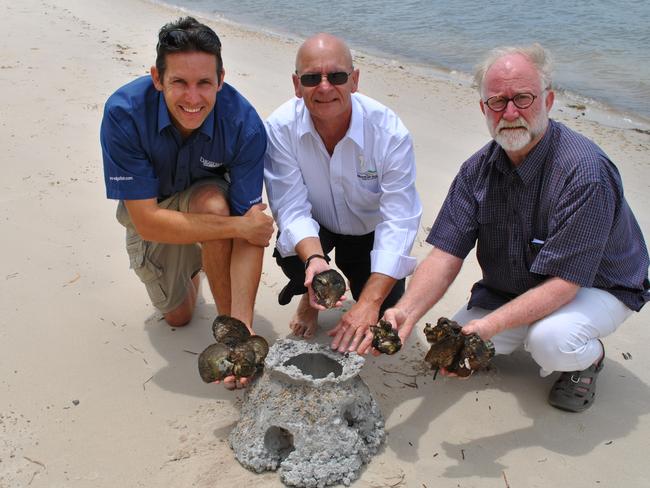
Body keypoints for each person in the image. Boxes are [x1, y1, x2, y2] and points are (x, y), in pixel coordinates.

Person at [382, 44, 649, 412]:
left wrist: (488, 329)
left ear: (548, 100)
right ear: (484, 109)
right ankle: (524, 328)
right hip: (522, 284)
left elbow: (564, 284)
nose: (510, 112)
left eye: (523, 98)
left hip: (599, 285)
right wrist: (406, 312)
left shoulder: (585, 174)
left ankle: (589, 359)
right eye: (497, 101)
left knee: (550, 342)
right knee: (450, 346)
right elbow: (446, 254)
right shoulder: (476, 171)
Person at [101, 17, 273, 389]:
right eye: (179, 82)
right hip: (154, 214)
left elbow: (252, 231)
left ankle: (228, 331)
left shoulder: (244, 125)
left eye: (204, 83)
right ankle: (195, 267)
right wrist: (239, 227)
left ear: (221, 80)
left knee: (214, 203)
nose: (193, 98)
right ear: (158, 78)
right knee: (178, 316)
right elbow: (146, 221)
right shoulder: (124, 113)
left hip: (207, 205)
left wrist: (240, 331)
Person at [264, 33, 422, 353]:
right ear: (297, 85)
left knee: (385, 303)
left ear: (354, 80)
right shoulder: (280, 128)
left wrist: (369, 302)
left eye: (336, 76)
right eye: (311, 78)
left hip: (368, 230)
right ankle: (311, 300)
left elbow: (399, 221)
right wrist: (315, 261)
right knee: (293, 253)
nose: (324, 87)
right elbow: (291, 208)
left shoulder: (389, 133)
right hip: (317, 226)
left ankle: (357, 285)